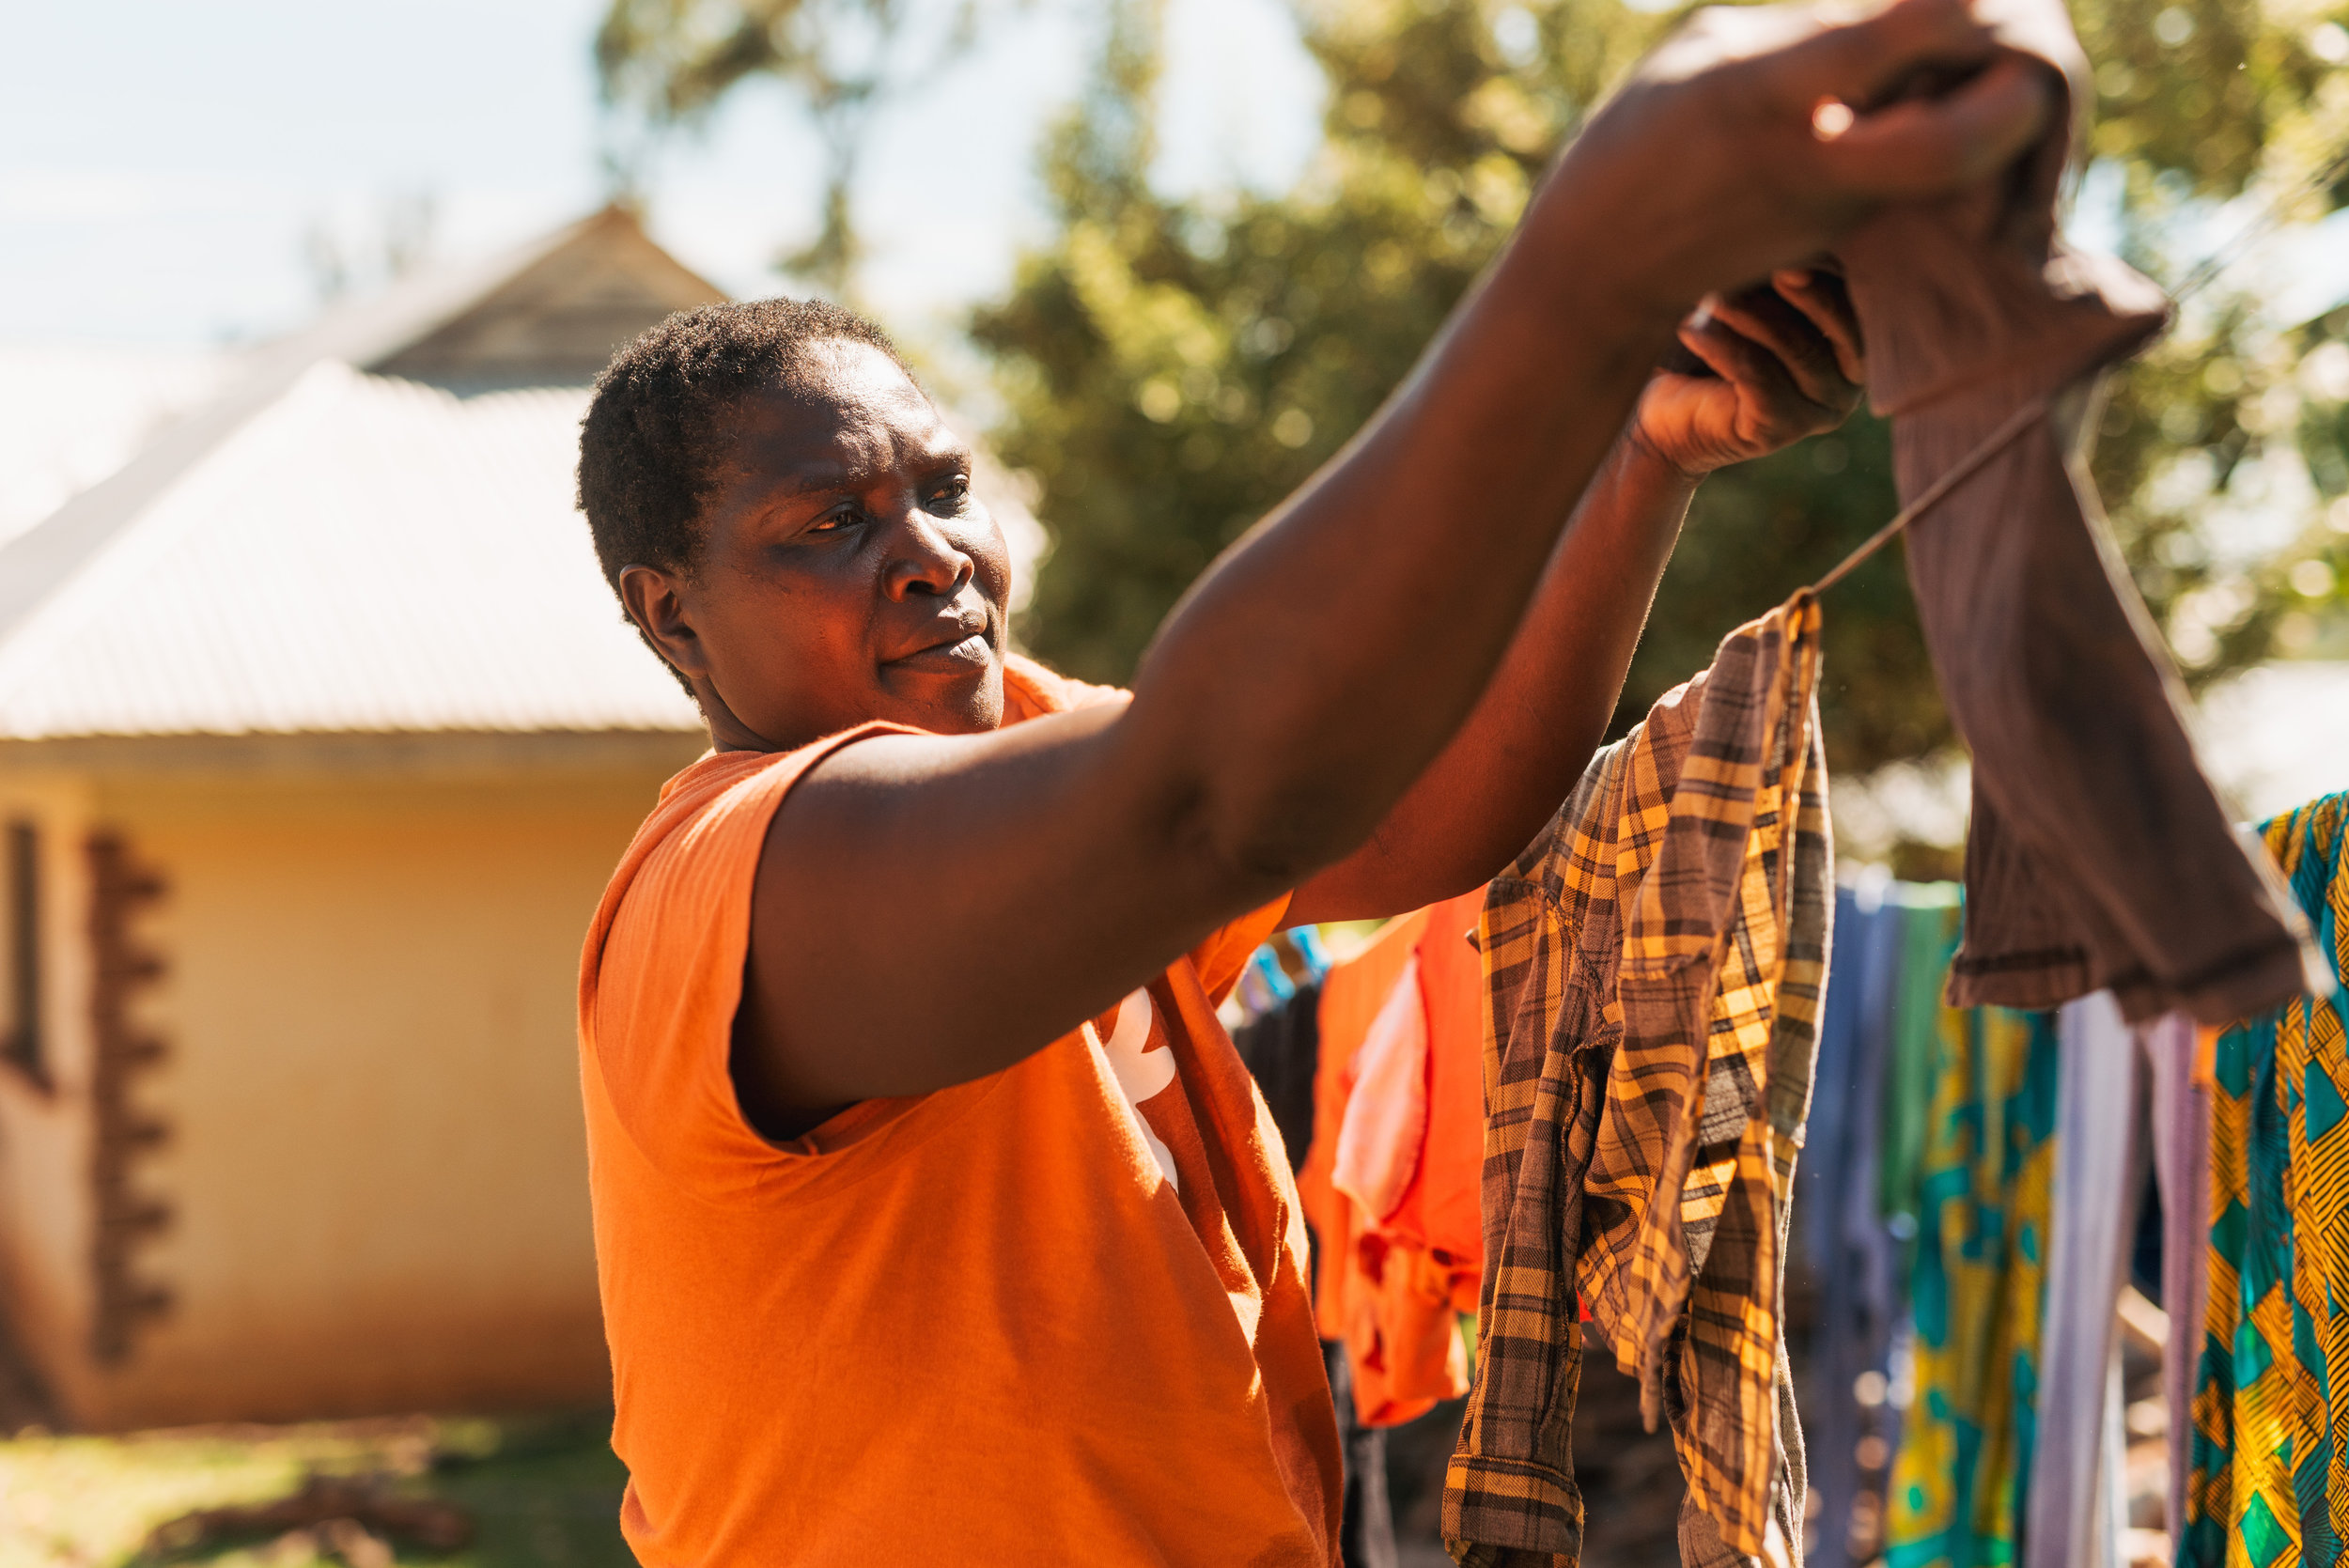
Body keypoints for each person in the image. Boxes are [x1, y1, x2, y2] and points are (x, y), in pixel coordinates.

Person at [571, 1, 2048, 1560]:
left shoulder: (1028, 751)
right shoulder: (747, 881)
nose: (932, 552)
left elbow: (1424, 806)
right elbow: (1224, 787)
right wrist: (1582, 286)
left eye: (943, 489)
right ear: (673, 612)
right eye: (830, 525)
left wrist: (1640, 452)